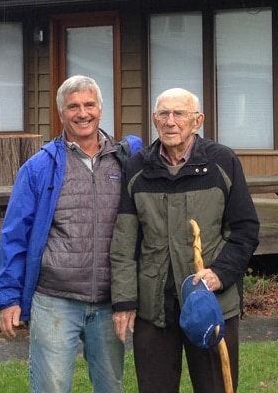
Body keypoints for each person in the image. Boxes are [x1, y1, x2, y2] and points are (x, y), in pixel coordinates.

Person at [0, 75, 141, 393]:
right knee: (52, 387)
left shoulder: (124, 162)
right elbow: (14, 235)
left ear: (100, 110)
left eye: (89, 105)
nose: (82, 113)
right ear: (61, 113)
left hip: (109, 300)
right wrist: (8, 298)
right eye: (73, 107)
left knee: (111, 386)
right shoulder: (39, 168)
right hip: (55, 299)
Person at [110, 88, 260, 393]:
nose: (170, 121)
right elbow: (124, 242)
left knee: (215, 387)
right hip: (154, 307)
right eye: (163, 114)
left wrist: (221, 274)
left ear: (197, 120)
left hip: (211, 302)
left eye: (179, 113)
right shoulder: (137, 167)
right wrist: (124, 301)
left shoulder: (222, 162)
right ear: (154, 120)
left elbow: (245, 229)